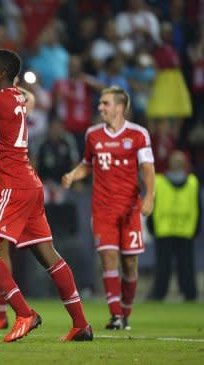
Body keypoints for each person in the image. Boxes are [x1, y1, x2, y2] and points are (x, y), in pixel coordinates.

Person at [0, 49, 92, 343]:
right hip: (29, 183)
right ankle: (81, 324)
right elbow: (6, 93)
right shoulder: (16, 96)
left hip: (12, 186)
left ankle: (24, 314)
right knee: (49, 255)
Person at [62, 85, 155, 330]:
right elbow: (87, 164)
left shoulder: (138, 134)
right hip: (102, 208)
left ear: (120, 107)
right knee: (108, 257)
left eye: (105, 103)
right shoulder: (93, 134)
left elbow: (147, 168)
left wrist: (149, 197)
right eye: (100, 103)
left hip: (130, 209)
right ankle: (115, 315)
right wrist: (73, 175)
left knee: (130, 264)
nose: (100, 107)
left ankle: (125, 313)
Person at [148, 150, 201, 301]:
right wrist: (196, 227)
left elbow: (151, 205)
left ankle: (159, 294)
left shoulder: (158, 181)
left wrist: (151, 225)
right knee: (186, 266)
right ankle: (190, 293)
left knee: (163, 266)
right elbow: (198, 208)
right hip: (185, 229)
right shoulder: (192, 182)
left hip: (165, 229)